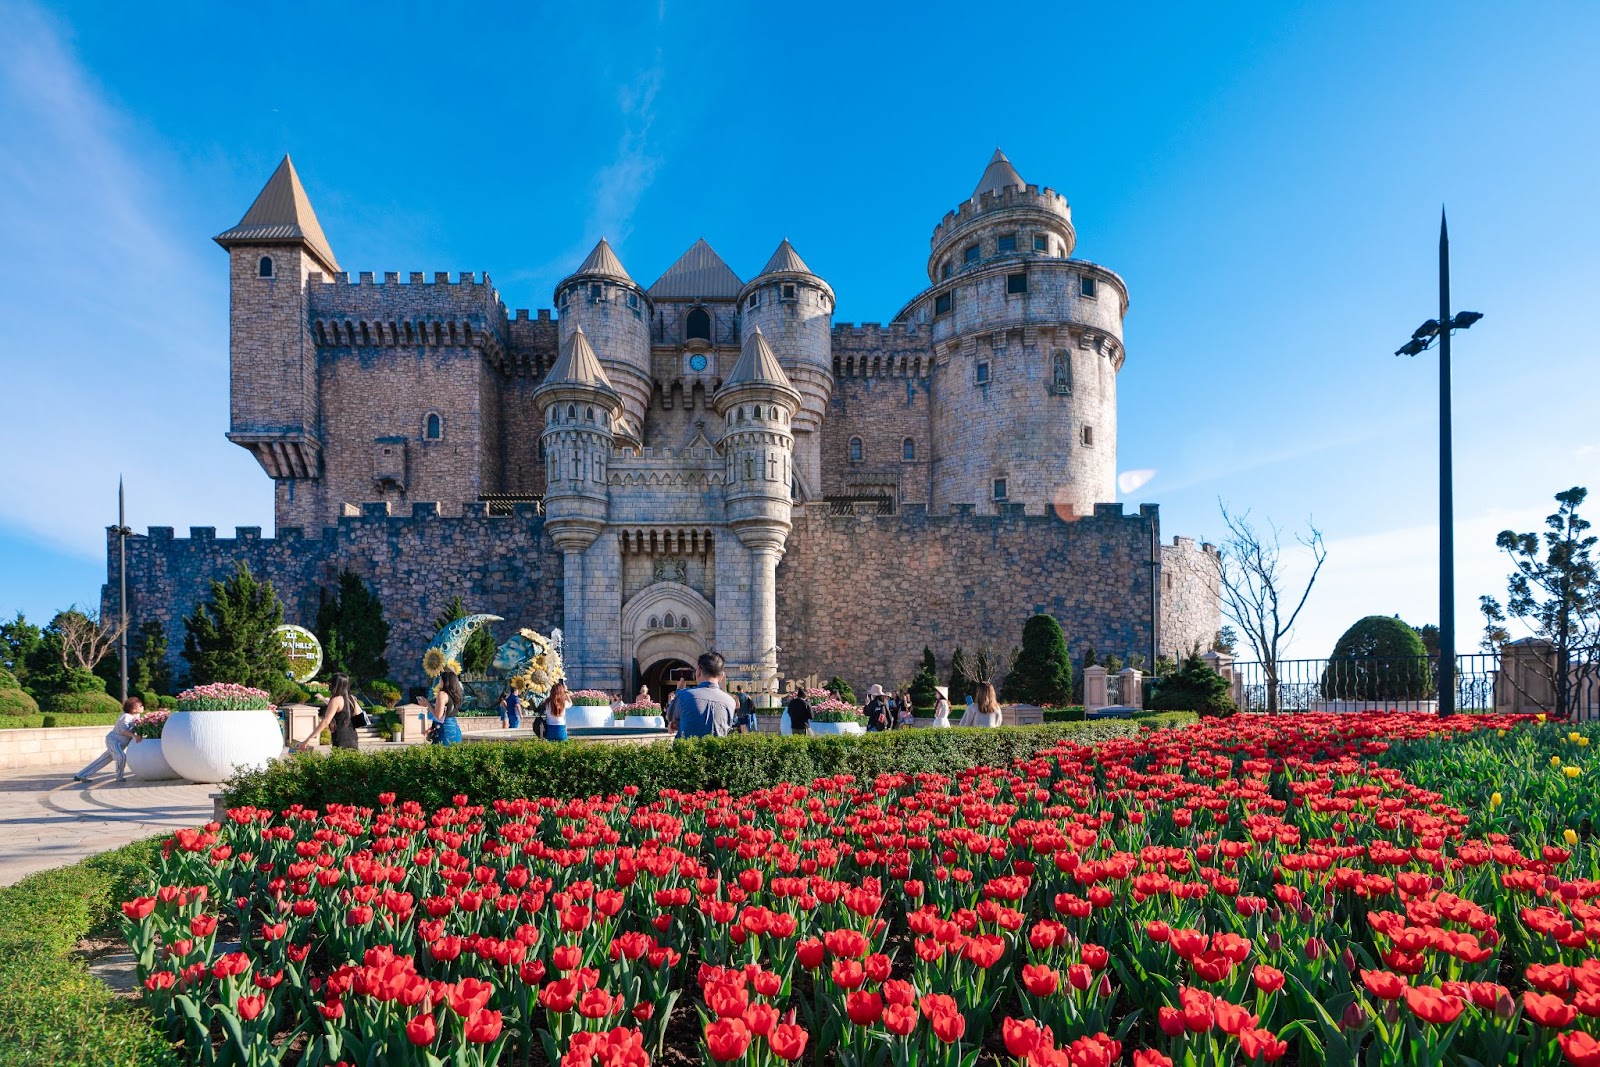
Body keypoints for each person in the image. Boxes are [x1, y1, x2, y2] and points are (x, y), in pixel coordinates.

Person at [669, 652, 738, 739]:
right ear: (722, 676)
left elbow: (671, 717)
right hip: (717, 751)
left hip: (687, 751)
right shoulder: (730, 701)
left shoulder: (683, 695)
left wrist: (679, 690)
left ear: (698, 671)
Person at [74, 696, 143, 782]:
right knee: (121, 757)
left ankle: (80, 775)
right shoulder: (126, 716)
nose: (142, 707)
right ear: (133, 709)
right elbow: (123, 730)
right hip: (114, 741)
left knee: (103, 759)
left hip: (120, 744)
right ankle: (119, 777)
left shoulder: (137, 715)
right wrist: (134, 736)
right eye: (140, 706)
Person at [298, 672, 361, 752]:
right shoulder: (352, 698)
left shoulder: (336, 700)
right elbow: (358, 714)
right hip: (353, 736)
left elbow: (325, 721)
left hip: (341, 737)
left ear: (335, 685)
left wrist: (307, 740)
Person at [430, 669, 465, 745]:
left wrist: (427, 705)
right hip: (455, 728)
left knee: (438, 754)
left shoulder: (442, 694)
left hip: (444, 729)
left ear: (445, 681)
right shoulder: (456, 695)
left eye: (440, 679)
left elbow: (438, 716)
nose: (439, 680)